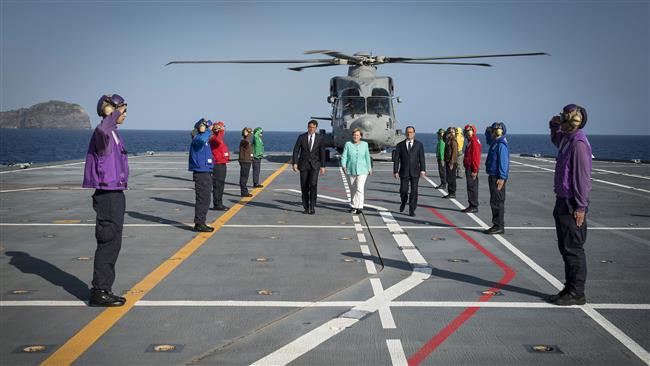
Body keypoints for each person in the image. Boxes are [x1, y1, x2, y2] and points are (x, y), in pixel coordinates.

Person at [82, 93, 129, 307]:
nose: (124, 114)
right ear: (109, 110)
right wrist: (112, 112)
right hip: (107, 193)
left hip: (115, 192)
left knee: (114, 242)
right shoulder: (104, 132)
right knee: (108, 240)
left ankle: (105, 289)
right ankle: (99, 291)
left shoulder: (115, 134)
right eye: (121, 110)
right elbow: (102, 129)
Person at [548, 104, 592, 306]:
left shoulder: (579, 143)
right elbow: (557, 140)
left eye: (562, 117)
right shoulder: (567, 139)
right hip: (563, 200)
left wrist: (581, 207)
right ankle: (569, 287)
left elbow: (582, 179)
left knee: (573, 248)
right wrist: (553, 127)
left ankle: (577, 292)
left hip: (572, 203)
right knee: (565, 247)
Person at [292, 119, 326, 214]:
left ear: (316, 128)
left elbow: (322, 152)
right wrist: (295, 163)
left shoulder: (320, 138)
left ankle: (312, 206)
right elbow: (296, 150)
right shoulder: (301, 137)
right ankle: (306, 207)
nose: (311, 129)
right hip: (303, 165)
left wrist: (323, 166)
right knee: (304, 186)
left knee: (313, 185)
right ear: (307, 127)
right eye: (310, 127)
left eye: (313, 128)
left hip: (315, 165)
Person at [393, 125, 426, 217]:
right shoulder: (400, 145)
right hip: (403, 171)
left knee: (414, 191)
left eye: (411, 132)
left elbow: (422, 158)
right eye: (407, 132)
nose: (409, 134)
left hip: (415, 171)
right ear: (405, 133)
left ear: (414, 134)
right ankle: (403, 202)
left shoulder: (419, 145)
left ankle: (412, 209)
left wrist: (423, 170)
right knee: (403, 190)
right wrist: (395, 171)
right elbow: (396, 159)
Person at [189, 118, 215, 232]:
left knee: (206, 198)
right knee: (202, 198)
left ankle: (201, 222)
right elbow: (202, 139)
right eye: (204, 125)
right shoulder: (197, 139)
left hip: (206, 171)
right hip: (201, 173)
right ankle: (199, 224)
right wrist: (209, 130)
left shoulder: (203, 139)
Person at [484, 122, 509, 234]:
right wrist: (487, 131)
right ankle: (496, 224)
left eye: (495, 130)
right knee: (494, 201)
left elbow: (503, 162)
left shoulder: (501, 144)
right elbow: (488, 140)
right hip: (493, 176)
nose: (493, 132)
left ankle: (499, 226)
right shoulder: (495, 142)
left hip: (497, 177)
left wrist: (502, 177)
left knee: (498, 202)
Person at [341, 128, 372, 214]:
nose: (355, 136)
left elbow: (367, 157)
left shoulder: (365, 144)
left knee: (359, 188)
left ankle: (359, 207)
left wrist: (369, 168)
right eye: (354, 135)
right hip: (350, 169)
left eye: (357, 135)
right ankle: (353, 205)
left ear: (360, 136)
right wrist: (343, 166)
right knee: (353, 189)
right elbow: (344, 156)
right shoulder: (348, 144)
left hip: (363, 170)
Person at [209, 121, 230, 211]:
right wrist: (221, 131)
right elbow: (217, 140)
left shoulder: (217, 138)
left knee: (220, 185)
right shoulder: (214, 138)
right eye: (222, 127)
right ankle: (217, 204)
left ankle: (219, 203)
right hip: (217, 165)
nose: (223, 129)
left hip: (221, 163)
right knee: (218, 185)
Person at [462, 124, 481, 213]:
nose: (466, 133)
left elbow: (476, 157)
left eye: (468, 131)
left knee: (472, 187)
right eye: (466, 131)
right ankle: (472, 204)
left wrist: (475, 170)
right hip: (469, 167)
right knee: (470, 186)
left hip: (471, 168)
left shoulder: (474, 142)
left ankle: (473, 205)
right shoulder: (471, 141)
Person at [443, 127, 458, 199]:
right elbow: (443, 138)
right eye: (450, 132)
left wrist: (452, 162)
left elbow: (454, 153)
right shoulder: (448, 140)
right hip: (448, 161)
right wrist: (447, 131)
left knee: (451, 178)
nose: (451, 133)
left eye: (453, 132)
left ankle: (452, 192)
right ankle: (450, 192)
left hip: (451, 162)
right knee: (449, 177)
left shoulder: (453, 141)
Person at [238, 127, 254, 197]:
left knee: (245, 177)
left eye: (247, 132)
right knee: (244, 177)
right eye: (246, 132)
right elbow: (247, 142)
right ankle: (244, 192)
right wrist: (250, 134)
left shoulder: (247, 140)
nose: (246, 133)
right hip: (244, 161)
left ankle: (244, 192)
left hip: (247, 160)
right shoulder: (244, 141)